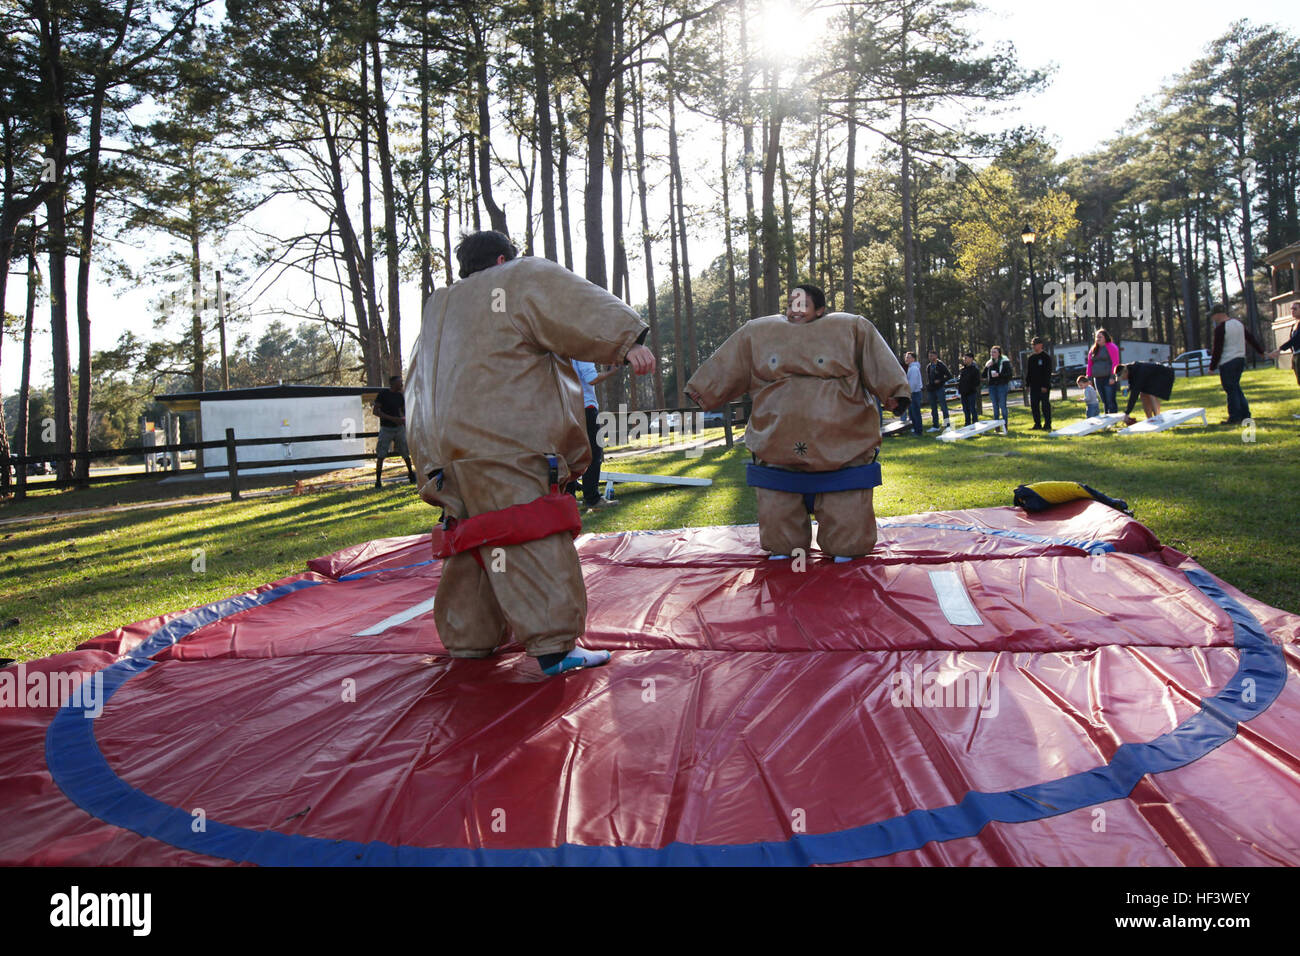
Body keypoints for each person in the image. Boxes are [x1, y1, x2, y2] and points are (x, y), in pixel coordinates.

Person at [404, 230, 656, 677]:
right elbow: (568, 303)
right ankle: (556, 647)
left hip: (443, 453)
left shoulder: (438, 307)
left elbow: (415, 384)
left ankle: (469, 639)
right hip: (505, 440)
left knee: (471, 538)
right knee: (528, 530)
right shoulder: (515, 279)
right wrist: (626, 340)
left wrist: (424, 453)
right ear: (503, 259)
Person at [685, 283, 910, 561]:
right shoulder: (760, 332)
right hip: (777, 448)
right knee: (781, 529)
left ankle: (846, 547)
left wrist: (895, 392)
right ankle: (784, 546)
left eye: (803, 304)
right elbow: (730, 361)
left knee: (847, 536)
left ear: (821, 310)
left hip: (842, 450)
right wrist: (704, 390)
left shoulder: (851, 328)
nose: (795, 309)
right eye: (792, 303)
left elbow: (878, 359)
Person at [567, 359, 620, 511]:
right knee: (594, 453)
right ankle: (592, 498)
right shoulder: (582, 352)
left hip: (568, 408)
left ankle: (569, 497)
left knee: (571, 454)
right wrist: (610, 372)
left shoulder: (563, 349)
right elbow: (592, 379)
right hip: (586, 408)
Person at [1208, 303, 1267, 424]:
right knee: (1236, 387)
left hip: (1228, 360)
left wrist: (1212, 367)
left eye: (1213, 315)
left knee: (1231, 389)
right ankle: (1245, 415)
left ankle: (1234, 416)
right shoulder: (1238, 324)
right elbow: (1250, 338)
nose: (1212, 318)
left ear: (1218, 314)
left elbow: (1217, 349)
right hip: (1240, 359)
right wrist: (1260, 351)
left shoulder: (1220, 328)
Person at [372, 374, 417, 488]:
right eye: (400, 382)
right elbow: (376, 411)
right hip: (386, 428)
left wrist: (404, 420)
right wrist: (393, 419)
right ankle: (378, 480)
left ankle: (411, 474)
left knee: (405, 452)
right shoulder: (383, 395)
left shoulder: (399, 396)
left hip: (399, 429)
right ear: (393, 384)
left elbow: (403, 411)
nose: (401, 384)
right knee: (381, 454)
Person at [1265, 300, 1300, 388]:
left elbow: (1295, 339)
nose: (1292, 311)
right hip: (1296, 355)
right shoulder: (1294, 325)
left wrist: (1280, 349)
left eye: (1295, 309)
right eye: (1291, 309)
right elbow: (1292, 340)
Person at [1085, 329, 1120, 414]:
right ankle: (1107, 417)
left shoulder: (1111, 347)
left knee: (1110, 400)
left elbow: (1115, 362)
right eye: (1097, 337)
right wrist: (1089, 378)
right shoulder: (1093, 349)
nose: (1098, 339)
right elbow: (1089, 364)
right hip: (1097, 378)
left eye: (1100, 337)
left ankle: (1113, 418)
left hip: (1108, 378)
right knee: (1104, 400)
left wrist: (1113, 377)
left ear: (1105, 338)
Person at [1025, 336, 1053, 431]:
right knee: (1034, 406)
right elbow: (1029, 372)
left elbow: (1047, 373)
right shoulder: (1031, 358)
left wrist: (1045, 385)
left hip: (1043, 386)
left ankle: (1047, 424)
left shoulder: (1046, 357)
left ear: (1041, 345)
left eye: (1035, 344)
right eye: (1033, 345)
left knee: (1045, 406)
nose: (1034, 347)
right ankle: (1037, 424)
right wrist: (1027, 384)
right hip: (1034, 386)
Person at [983, 346, 1013, 426]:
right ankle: (996, 426)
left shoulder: (1004, 361)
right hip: (992, 386)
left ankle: (1005, 425)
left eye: (994, 352)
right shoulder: (989, 362)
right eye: (991, 352)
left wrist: (999, 375)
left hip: (1002, 385)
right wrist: (986, 367)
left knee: (1002, 405)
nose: (992, 354)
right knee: (995, 406)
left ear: (999, 353)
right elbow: (983, 375)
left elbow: (1009, 374)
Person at [925, 350, 953, 431]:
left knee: (943, 407)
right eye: (929, 356)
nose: (930, 357)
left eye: (931, 356)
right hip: (931, 389)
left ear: (936, 356)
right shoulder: (929, 366)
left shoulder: (941, 365)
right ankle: (935, 425)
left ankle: (947, 425)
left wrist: (940, 380)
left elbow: (949, 376)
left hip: (940, 388)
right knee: (933, 408)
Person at [904, 351, 925, 436]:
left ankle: (918, 431)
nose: (906, 359)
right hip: (912, 393)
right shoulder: (910, 368)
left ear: (913, 359)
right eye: (906, 357)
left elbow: (913, 383)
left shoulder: (914, 369)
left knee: (916, 412)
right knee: (912, 413)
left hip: (914, 393)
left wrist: (909, 393)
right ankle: (915, 429)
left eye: (908, 357)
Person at [957, 353, 981, 426]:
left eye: (966, 358)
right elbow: (961, 381)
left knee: (972, 408)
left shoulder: (975, 370)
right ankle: (967, 423)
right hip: (963, 393)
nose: (964, 360)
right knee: (965, 409)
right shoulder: (962, 370)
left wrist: (970, 387)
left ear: (971, 359)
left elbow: (977, 382)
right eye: (964, 358)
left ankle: (975, 422)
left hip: (971, 392)